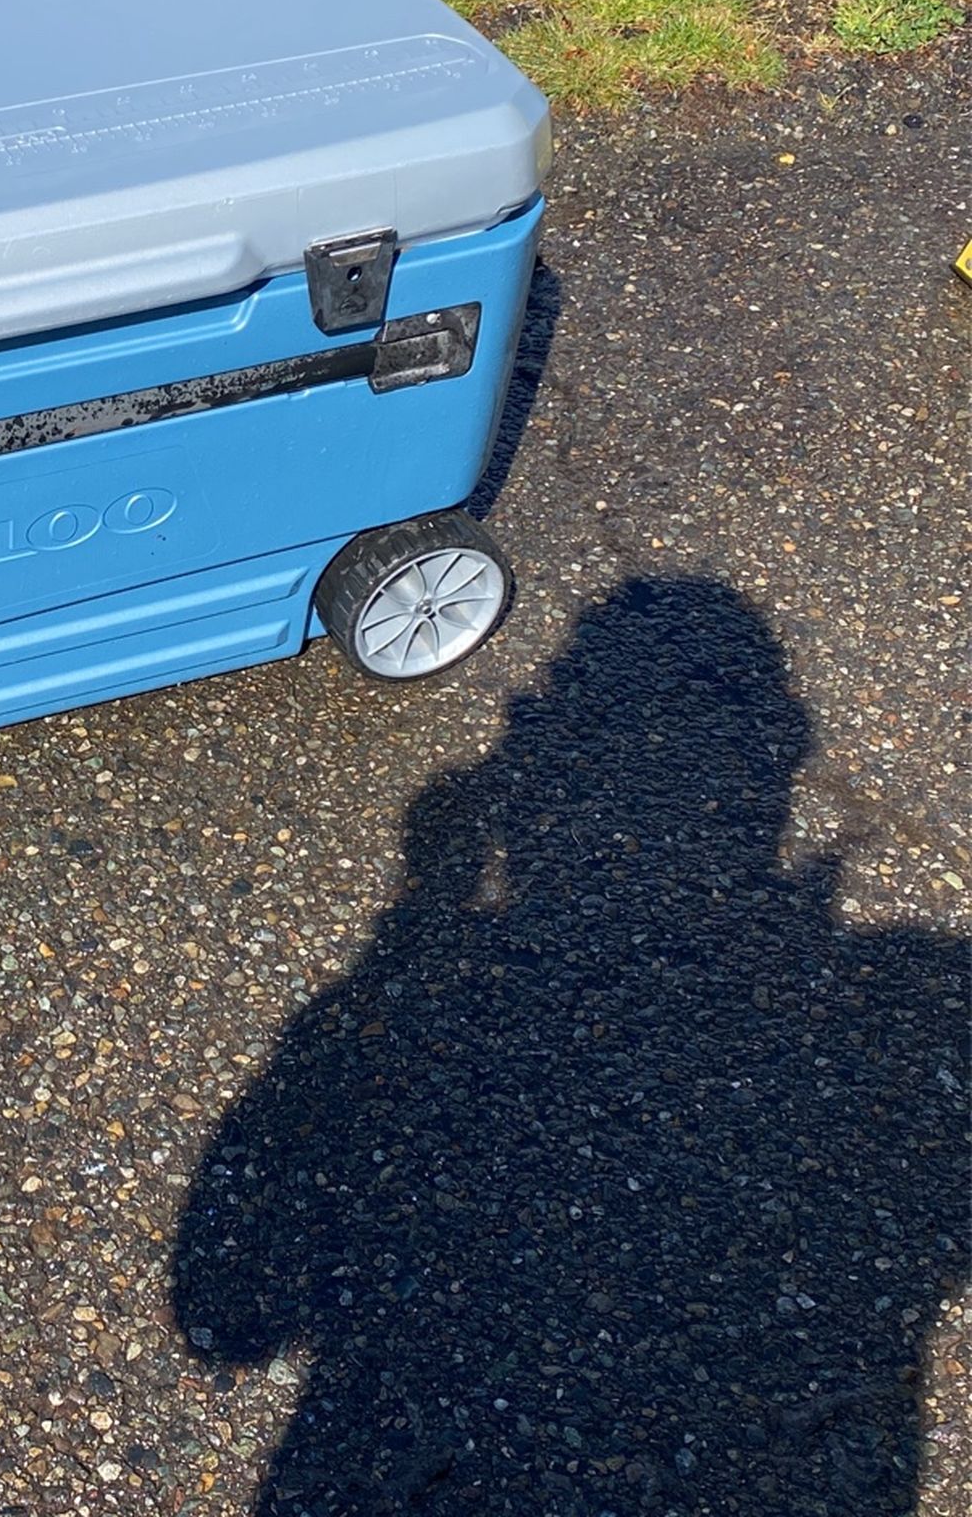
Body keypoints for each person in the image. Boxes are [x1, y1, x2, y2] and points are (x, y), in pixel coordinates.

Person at [174, 578, 968, 1516]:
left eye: (543, 699)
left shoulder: (446, 981)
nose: (519, 711)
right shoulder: (920, 990)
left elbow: (227, 1315)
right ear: (782, 758)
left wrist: (422, 911)